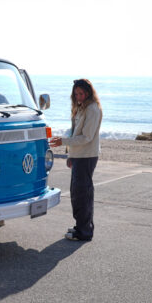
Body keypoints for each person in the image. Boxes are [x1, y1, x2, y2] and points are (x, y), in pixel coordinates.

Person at [49, 79, 102, 242]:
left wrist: (63, 142)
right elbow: (75, 133)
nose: (78, 97)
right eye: (76, 94)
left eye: (81, 93)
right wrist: (70, 155)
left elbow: (86, 137)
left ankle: (84, 232)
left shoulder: (93, 109)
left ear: (88, 92)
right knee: (78, 194)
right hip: (79, 156)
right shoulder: (80, 107)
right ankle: (81, 227)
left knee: (82, 195)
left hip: (87, 156)